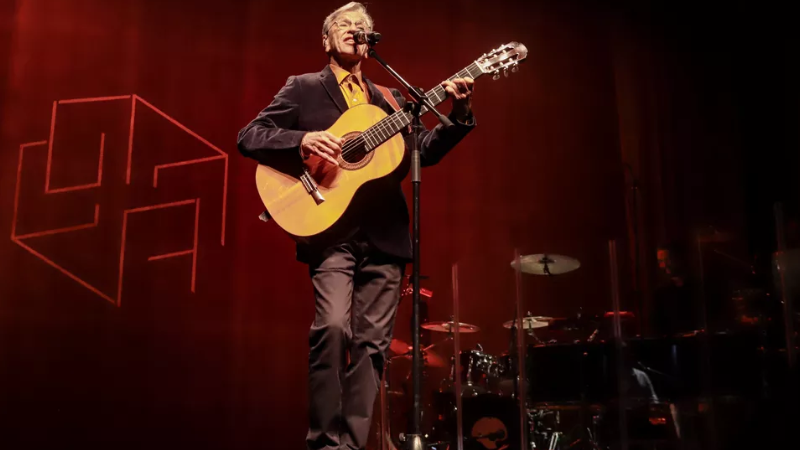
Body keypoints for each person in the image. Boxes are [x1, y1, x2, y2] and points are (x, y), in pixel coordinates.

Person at [236, 3, 475, 449]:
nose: (354, 31)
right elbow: (250, 136)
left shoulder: (389, 97)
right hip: (331, 233)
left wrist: (458, 114)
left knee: (372, 349)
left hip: (385, 236)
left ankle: (351, 446)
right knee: (330, 330)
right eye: (344, 26)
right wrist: (302, 138)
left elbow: (422, 148)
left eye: (362, 27)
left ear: (371, 41)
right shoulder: (304, 88)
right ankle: (324, 443)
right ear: (326, 40)